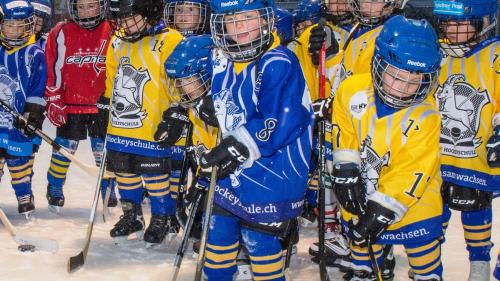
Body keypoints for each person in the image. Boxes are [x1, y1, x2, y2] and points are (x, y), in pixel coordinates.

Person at [195, 0, 314, 279]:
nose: (238, 27)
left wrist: (238, 145)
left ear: (264, 19)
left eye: (247, 17)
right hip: (232, 176)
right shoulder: (223, 57)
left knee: (262, 251)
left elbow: (282, 119)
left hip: (272, 176)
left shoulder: (278, 61)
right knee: (216, 246)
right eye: (230, 19)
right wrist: (202, 104)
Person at [331, 15, 444, 281]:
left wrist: (381, 211)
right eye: (395, 76)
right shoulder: (351, 90)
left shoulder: (426, 117)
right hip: (363, 192)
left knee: (426, 267)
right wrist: (345, 169)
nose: (402, 89)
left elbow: (412, 171)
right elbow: (344, 133)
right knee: (364, 260)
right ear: (378, 63)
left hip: (416, 205)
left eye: (413, 80)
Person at [104, 0, 184, 246]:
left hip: (153, 125)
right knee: (123, 170)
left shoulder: (170, 40)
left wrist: (177, 113)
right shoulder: (117, 41)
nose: (125, 25)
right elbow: (111, 77)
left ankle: (163, 217)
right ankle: (132, 214)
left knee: (155, 174)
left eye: (131, 18)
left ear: (149, 12)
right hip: (121, 124)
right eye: (121, 20)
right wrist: (104, 106)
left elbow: (181, 80)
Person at [433, 0, 499, 280]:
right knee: (435, 210)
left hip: (477, 154)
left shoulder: (495, 54)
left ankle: (480, 262)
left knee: (475, 203)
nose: (452, 30)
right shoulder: (439, 53)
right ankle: (427, 265)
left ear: (484, 22)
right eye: (448, 23)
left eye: (460, 23)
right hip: (437, 153)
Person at [44, 0, 115, 213]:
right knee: (64, 149)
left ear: (101, 6)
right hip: (72, 103)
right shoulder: (61, 32)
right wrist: (54, 97)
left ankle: (107, 188)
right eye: (81, 7)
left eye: (91, 6)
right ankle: (55, 185)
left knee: (103, 152)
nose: (86, 11)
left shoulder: (113, 29)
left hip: (101, 105)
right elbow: (53, 65)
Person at [0, 0, 47, 219]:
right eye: (10, 25)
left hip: (17, 122)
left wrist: (32, 114)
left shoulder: (34, 53)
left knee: (19, 165)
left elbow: (37, 88)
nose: (15, 31)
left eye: (21, 26)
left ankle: (24, 197)